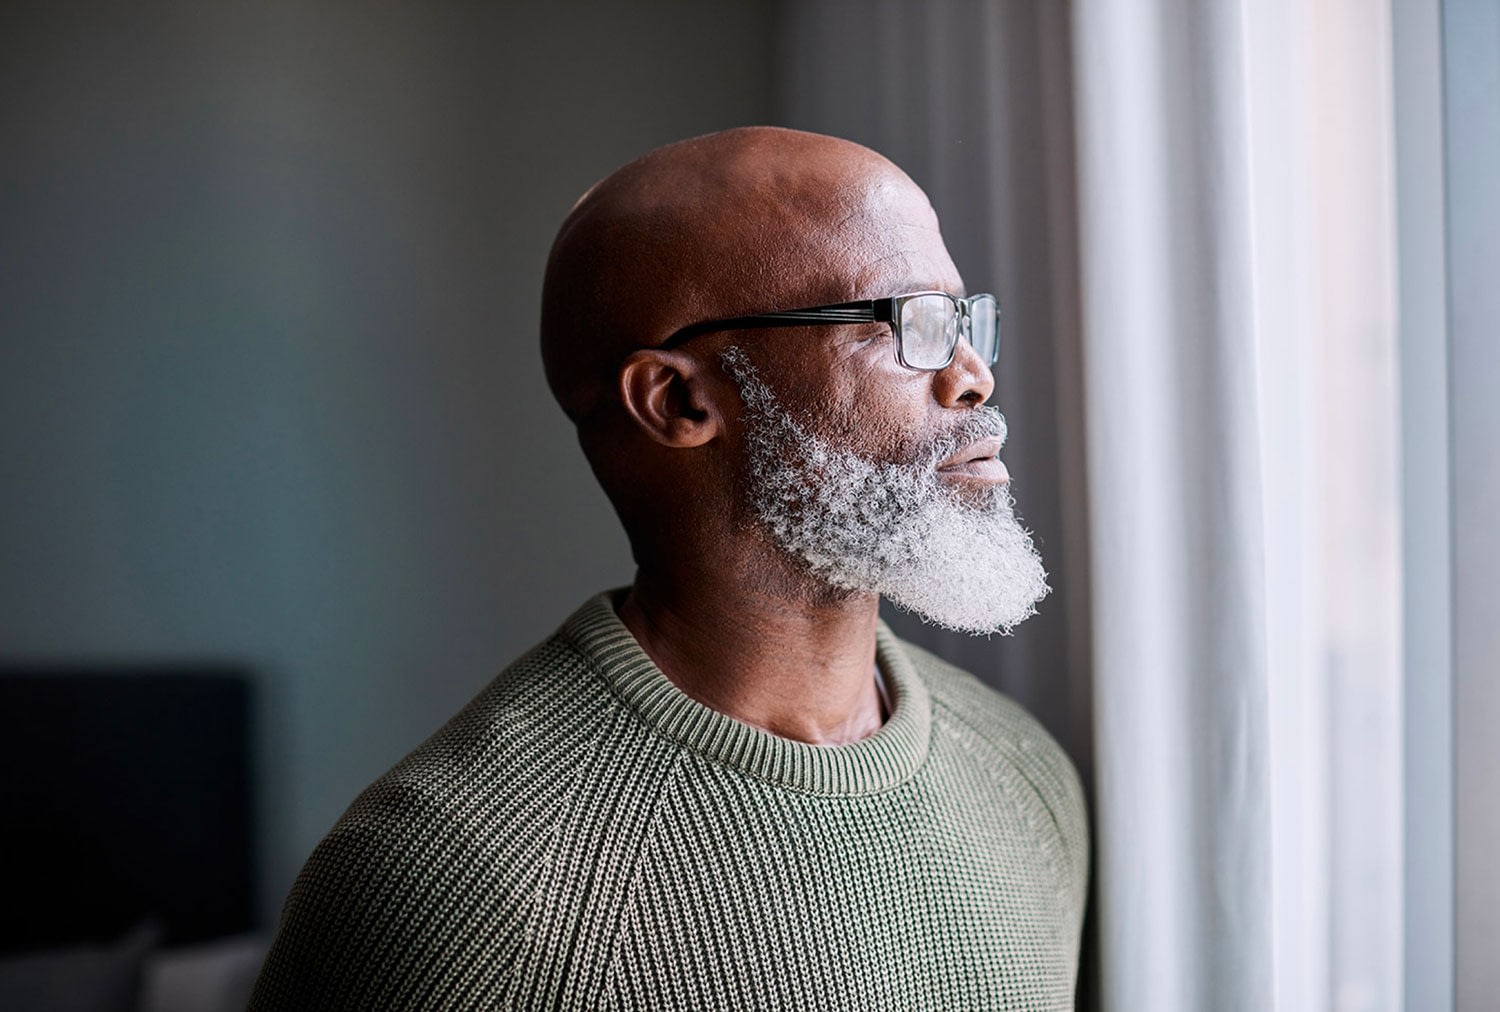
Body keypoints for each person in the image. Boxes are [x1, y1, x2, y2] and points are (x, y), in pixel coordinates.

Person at [250, 126, 1088, 1011]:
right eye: (907, 322)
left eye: (963, 320)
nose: (972, 376)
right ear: (679, 400)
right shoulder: (440, 884)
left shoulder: (1024, 775)